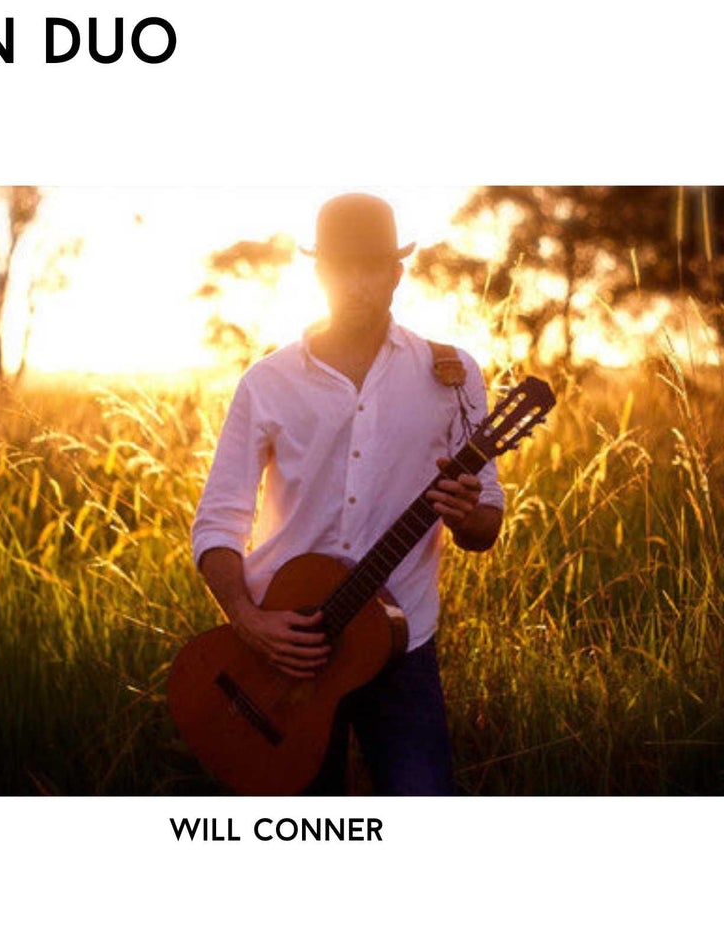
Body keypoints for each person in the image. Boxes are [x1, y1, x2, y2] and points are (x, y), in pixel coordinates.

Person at [190, 193, 505, 795]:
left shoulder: (453, 374)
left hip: (400, 645)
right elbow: (217, 523)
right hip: (284, 647)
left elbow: (485, 523)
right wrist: (250, 621)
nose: (358, 283)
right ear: (319, 273)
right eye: (343, 267)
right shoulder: (267, 382)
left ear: (397, 273)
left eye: (373, 267)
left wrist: (468, 517)